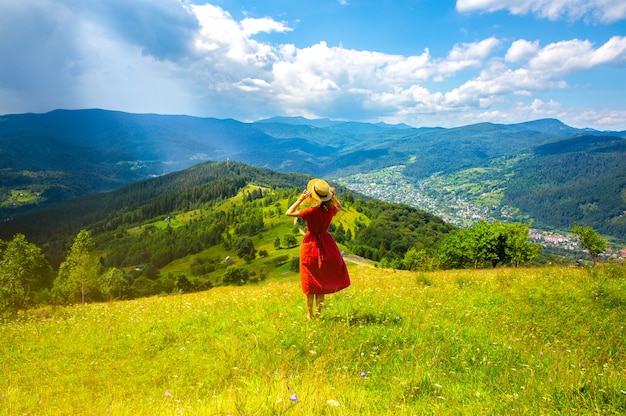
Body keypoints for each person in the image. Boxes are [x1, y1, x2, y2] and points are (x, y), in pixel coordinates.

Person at [286, 178, 351, 319]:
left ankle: (310, 315)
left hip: (311, 246)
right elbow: (339, 206)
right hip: (327, 244)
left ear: (314, 196)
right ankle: (318, 313)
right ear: (327, 196)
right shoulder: (331, 210)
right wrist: (333, 197)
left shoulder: (311, 211)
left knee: (310, 281)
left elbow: (289, 213)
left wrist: (301, 199)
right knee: (320, 282)